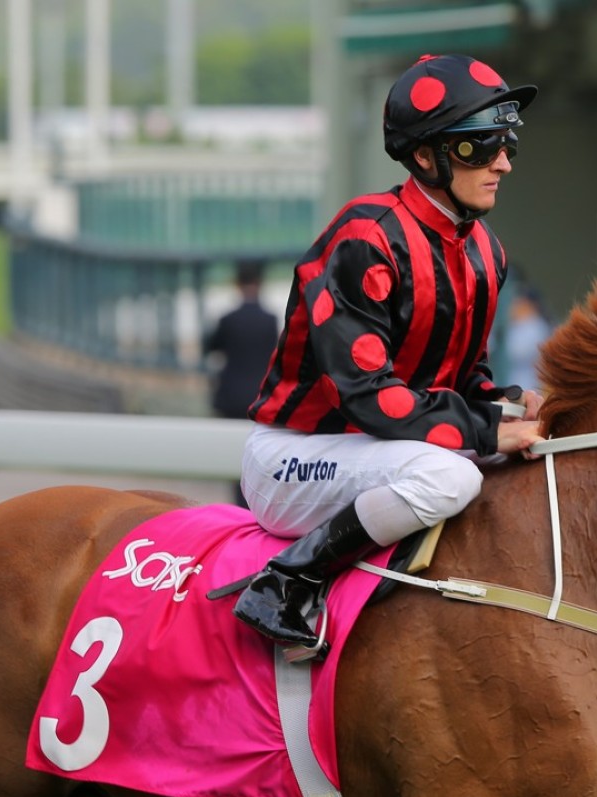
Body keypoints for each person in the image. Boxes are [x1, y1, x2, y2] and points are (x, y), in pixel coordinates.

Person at [230, 53, 546, 647]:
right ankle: (287, 581)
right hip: (295, 457)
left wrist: (511, 405)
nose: (502, 161)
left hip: (381, 453)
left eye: (506, 142)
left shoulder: (486, 253)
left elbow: (463, 374)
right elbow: (367, 398)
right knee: (451, 477)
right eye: (480, 146)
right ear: (425, 156)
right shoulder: (364, 238)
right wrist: (483, 429)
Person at [203, 260, 281, 506]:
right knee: (258, 452)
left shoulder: (228, 319)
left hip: (231, 395)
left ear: (237, 285)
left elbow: (211, 347)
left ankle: (237, 504)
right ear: (260, 284)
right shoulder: (270, 319)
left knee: (234, 455)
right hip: (260, 395)